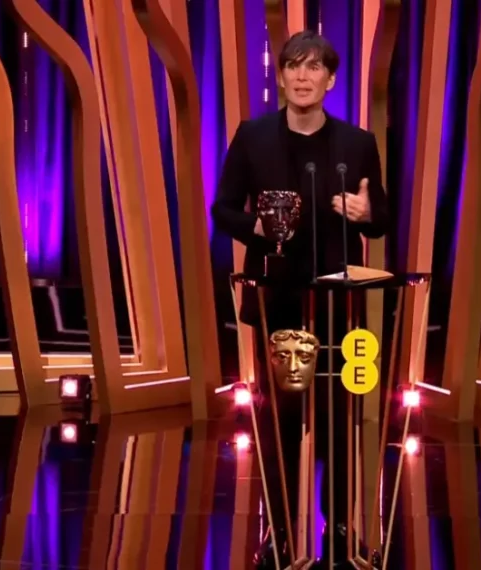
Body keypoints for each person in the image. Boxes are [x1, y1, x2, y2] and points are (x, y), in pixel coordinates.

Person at [211, 31, 389, 567]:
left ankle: (339, 525)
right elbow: (222, 209)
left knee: (339, 412)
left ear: (330, 81)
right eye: (293, 66)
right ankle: (281, 526)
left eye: (314, 68)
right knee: (279, 414)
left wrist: (367, 215)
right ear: (282, 76)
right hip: (277, 294)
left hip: (339, 296)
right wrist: (260, 229)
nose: (303, 76)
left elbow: (379, 217)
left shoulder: (356, 144)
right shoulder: (252, 136)